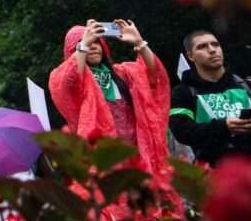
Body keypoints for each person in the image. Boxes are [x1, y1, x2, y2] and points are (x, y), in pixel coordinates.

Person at [48, 19, 172, 176]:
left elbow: (156, 77)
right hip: (103, 161)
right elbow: (69, 79)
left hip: (136, 157)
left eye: (97, 42)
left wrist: (140, 43)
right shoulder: (67, 79)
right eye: (87, 42)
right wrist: (84, 44)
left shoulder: (123, 73)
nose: (93, 46)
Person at [169, 29, 251, 177]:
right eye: (202, 47)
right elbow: (182, 131)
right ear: (190, 56)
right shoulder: (182, 93)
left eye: (215, 44)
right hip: (217, 184)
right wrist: (224, 127)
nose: (212, 50)